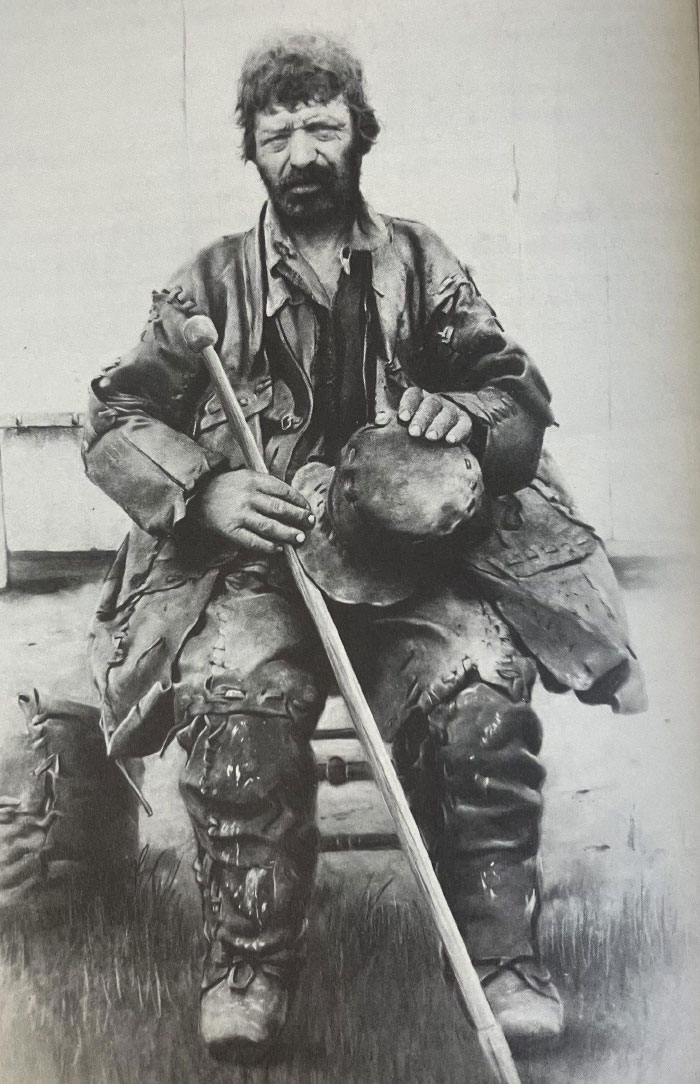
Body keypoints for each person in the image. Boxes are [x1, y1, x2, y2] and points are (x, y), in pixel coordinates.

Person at [82, 32, 645, 1060]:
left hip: (419, 571)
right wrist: (204, 493)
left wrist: (465, 420)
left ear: (358, 138)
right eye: (278, 131)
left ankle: (498, 960)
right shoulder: (204, 287)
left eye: (322, 128)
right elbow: (113, 417)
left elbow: (516, 396)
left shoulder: (421, 263)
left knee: (480, 680)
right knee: (228, 684)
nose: (301, 152)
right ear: (251, 148)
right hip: (259, 569)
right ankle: (248, 964)